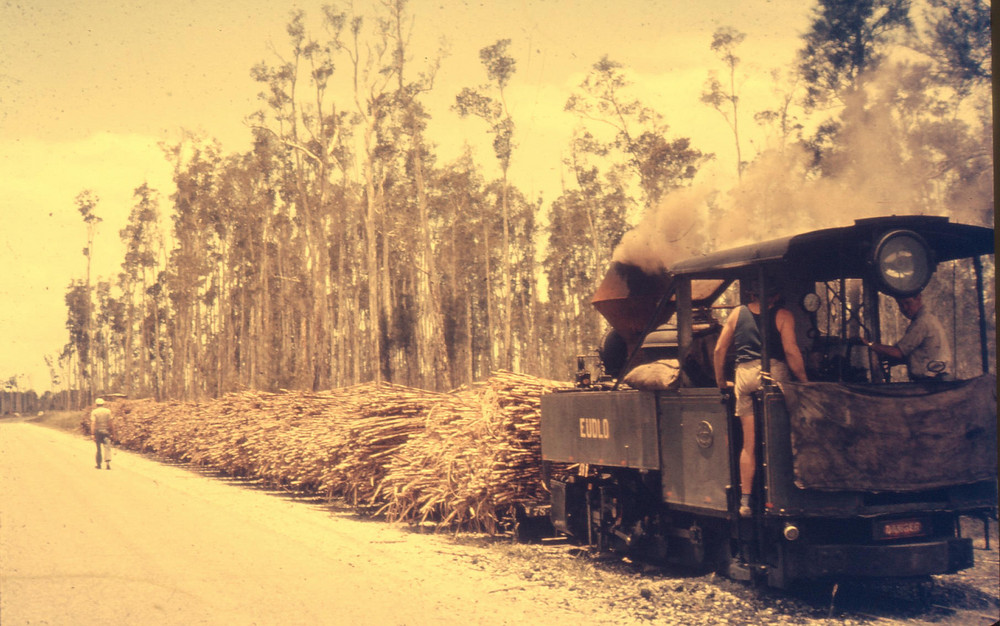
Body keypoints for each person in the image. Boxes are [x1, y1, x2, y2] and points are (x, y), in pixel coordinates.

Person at [713, 280, 808, 517]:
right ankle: (788, 490)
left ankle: (745, 502)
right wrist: (805, 382)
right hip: (771, 372)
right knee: (784, 434)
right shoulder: (783, 315)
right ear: (775, 296)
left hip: (744, 376)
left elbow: (718, 350)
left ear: (752, 293)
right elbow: (790, 351)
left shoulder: (737, 313)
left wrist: (721, 382)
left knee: (749, 443)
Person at [866, 291, 951, 381]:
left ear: (918, 298)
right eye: (900, 305)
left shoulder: (922, 322)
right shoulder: (927, 319)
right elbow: (921, 354)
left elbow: (899, 352)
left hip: (931, 381)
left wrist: (870, 344)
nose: (905, 308)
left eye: (908, 303)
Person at [90, 398, 114, 470]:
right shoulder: (108, 411)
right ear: (103, 404)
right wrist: (113, 432)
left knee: (98, 448)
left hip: (98, 431)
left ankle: (99, 464)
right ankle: (107, 463)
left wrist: (92, 434)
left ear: (96, 404)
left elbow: (93, 423)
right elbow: (110, 423)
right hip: (106, 431)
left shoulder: (94, 412)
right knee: (107, 447)